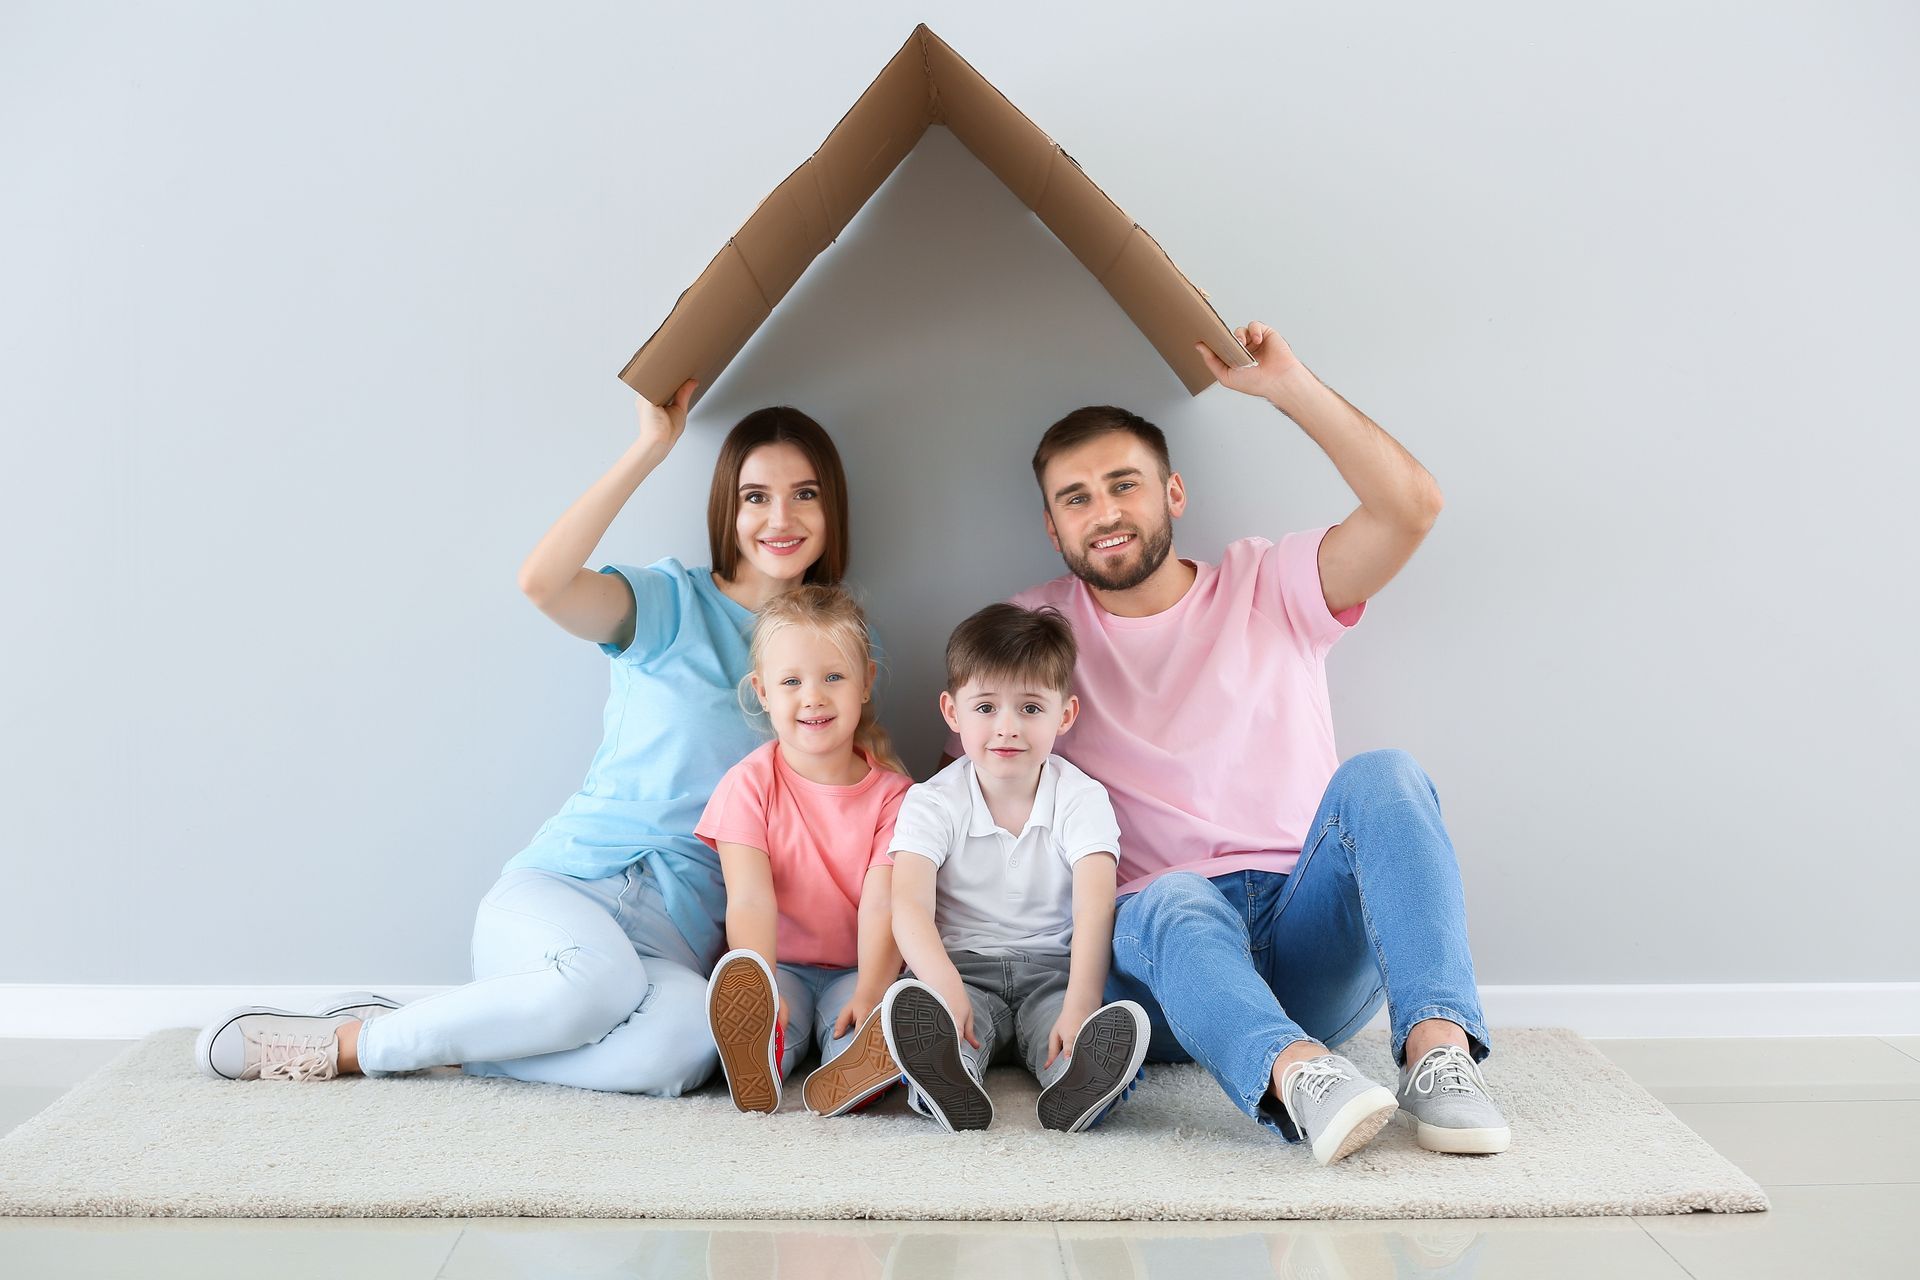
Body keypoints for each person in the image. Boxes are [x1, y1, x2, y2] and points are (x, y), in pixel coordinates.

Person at [196, 383, 858, 1093]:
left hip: (679, 936)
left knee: (689, 1048)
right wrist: (648, 448)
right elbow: (544, 584)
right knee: (595, 983)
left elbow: (853, 799)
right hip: (571, 888)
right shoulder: (670, 602)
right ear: (727, 508)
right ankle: (354, 1045)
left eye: (805, 494)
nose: (780, 517)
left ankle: (457, 1036)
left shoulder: (842, 645)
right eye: (755, 496)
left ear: (832, 509)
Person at [965, 323, 1509, 1165]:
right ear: (1052, 527)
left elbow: (1412, 507)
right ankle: (1299, 1078)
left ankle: (1438, 1057)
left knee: (1386, 776)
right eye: (1076, 498)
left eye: (1124, 485)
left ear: (1173, 494)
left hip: (1306, 933)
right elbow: (972, 766)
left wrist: (1289, 387)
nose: (1104, 512)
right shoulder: (1039, 632)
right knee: (1171, 896)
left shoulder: (1268, 583)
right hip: (1168, 962)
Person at [884, 603, 1150, 1134]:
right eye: (985, 708)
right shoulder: (932, 801)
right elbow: (908, 904)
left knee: (1064, 1032)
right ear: (952, 712)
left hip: (1051, 972)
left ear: (1065, 715)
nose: (1007, 728)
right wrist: (944, 985)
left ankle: (1080, 1085)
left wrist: (1080, 1002)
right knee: (948, 1025)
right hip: (961, 970)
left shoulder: (1081, 799)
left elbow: (1095, 909)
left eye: (1030, 709)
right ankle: (944, 1079)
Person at [697, 585, 913, 1116]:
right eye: (791, 682)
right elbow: (748, 900)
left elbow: (883, 905)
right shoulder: (748, 785)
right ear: (763, 692)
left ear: (866, 683)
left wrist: (870, 987)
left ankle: (861, 1068)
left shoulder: (897, 796)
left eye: (833, 677)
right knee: (776, 1028)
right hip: (781, 964)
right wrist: (765, 985)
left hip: (856, 968)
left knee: (865, 1021)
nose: (812, 696)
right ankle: (761, 1061)